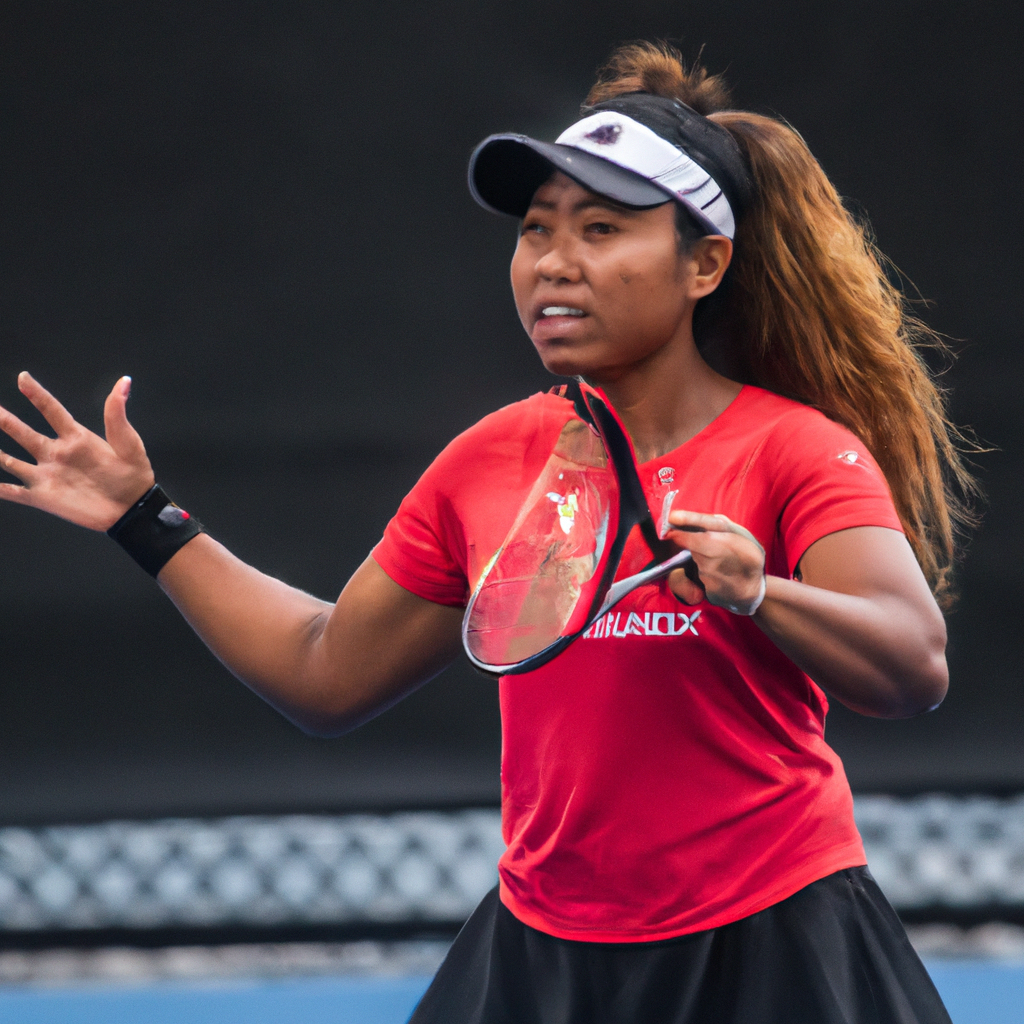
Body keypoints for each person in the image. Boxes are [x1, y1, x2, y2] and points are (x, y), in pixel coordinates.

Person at [0, 41, 974, 1023]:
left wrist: (758, 590)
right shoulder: (492, 461)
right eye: (536, 230)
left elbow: (913, 663)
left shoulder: (794, 449)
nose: (554, 261)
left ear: (704, 263)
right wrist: (141, 516)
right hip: (545, 951)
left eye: (601, 228)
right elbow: (324, 673)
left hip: (774, 940)